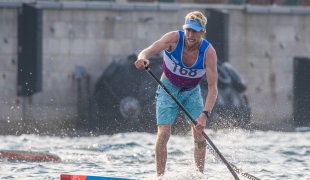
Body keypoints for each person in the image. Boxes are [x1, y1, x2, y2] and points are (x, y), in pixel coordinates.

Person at [134, 11, 218, 177]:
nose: (190, 35)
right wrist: (142, 58)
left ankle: (199, 175)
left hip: (192, 93)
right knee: (164, 133)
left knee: (199, 133)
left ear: (202, 32)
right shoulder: (173, 38)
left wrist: (204, 115)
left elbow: (213, 87)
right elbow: (147, 51)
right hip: (167, 89)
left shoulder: (209, 53)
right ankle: (160, 176)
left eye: (194, 31)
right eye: (188, 30)